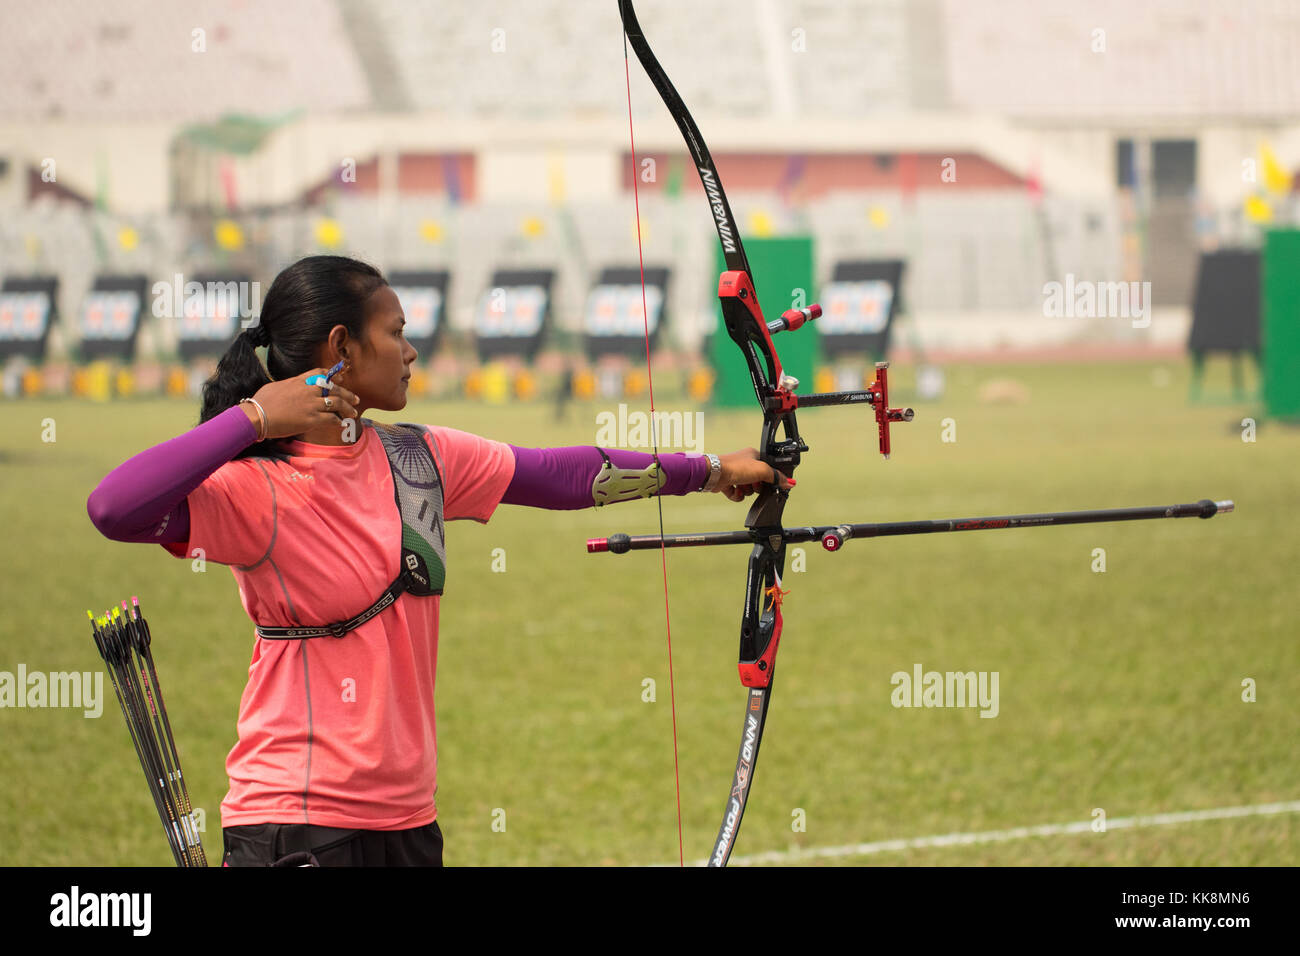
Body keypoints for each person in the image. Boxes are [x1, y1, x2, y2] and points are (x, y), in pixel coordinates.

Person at [86, 254, 789, 866]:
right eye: (395, 333)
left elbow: (563, 473)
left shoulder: (418, 458)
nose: (412, 351)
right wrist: (255, 420)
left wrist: (711, 469)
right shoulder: (258, 489)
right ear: (342, 347)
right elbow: (114, 508)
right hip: (295, 824)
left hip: (408, 824)